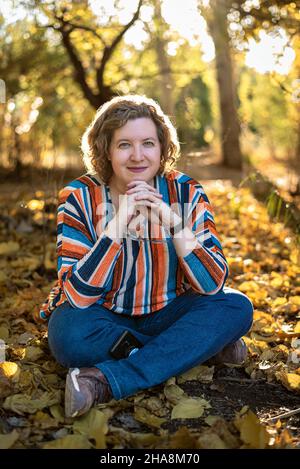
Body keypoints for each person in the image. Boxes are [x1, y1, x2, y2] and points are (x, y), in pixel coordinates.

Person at [36, 95, 253, 419]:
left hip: (171, 311)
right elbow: (78, 297)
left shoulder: (186, 192)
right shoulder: (78, 197)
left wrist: (173, 222)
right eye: (124, 145)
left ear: (163, 149)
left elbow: (212, 284)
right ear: (106, 150)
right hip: (103, 316)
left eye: (148, 143)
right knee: (67, 334)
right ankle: (196, 348)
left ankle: (106, 380)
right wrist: (117, 225)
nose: (137, 156)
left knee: (235, 306)